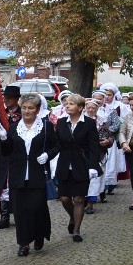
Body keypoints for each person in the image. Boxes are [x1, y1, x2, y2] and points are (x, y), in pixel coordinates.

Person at [0, 94, 60, 255]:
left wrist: (47, 155)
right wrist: (3, 139)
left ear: (38, 110)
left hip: (37, 174)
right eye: (24, 108)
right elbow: (6, 152)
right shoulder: (13, 127)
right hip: (18, 175)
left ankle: (39, 234)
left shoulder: (46, 126)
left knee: (36, 208)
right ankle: (23, 243)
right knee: (19, 211)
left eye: (31, 108)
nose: (27, 111)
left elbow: (56, 146)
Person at [54, 94, 101, 242]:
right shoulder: (61, 122)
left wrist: (93, 166)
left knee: (79, 199)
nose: (67, 106)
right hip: (64, 165)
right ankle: (72, 217)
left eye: (71, 104)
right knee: (65, 198)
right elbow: (56, 144)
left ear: (80, 108)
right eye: (66, 104)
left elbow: (94, 147)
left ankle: (76, 230)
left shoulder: (89, 123)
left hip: (81, 165)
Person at [0, 85, 22, 229]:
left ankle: (19, 214)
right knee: (3, 183)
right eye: (5, 98)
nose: (6, 100)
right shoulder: (0, 114)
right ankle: (4, 216)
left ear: (17, 99)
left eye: (9, 98)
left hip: (18, 152)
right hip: (3, 153)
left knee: (16, 184)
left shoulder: (23, 114)